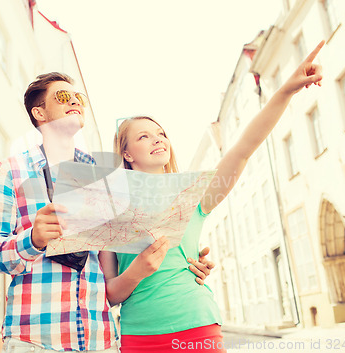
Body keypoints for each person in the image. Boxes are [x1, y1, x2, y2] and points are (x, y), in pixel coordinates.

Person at [99, 41, 325, 353]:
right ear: (126, 153)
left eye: (161, 133)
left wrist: (286, 89)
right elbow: (108, 295)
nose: (157, 139)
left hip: (197, 326)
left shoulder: (193, 195)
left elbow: (244, 147)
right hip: (139, 336)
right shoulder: (110, 210)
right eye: (143, 136)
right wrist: (137, 272)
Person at [0, 72, 213, 352]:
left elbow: (131, 242)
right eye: (63, 97)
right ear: (39, 112)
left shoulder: (107, 177)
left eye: (78, 97)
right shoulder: (10, 170)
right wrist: (33, 240)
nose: (75, 102)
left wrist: (187, 259)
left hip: (99, 339)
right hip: (36, 338)